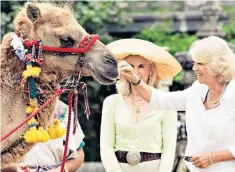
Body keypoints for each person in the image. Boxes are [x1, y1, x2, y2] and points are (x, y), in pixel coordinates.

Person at [118, 36, 235, 172]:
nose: (194, 68)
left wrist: (212, 157)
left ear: (217, 65)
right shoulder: (198, 90)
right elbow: (162, 99)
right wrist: (135, 79)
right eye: (194, 63)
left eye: (200, 64)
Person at [100, 39, 182, 172]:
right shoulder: (111, 102)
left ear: (151, 71)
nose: (135, 71)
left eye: (141, 66)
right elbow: (106, 148)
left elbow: (169, 151)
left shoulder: (165, 104)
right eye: (131, 66)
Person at [21, 100, 85, 172]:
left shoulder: (64, 110)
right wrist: (12, 168)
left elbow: (78, 153)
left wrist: (60, 170)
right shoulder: (10, 109)